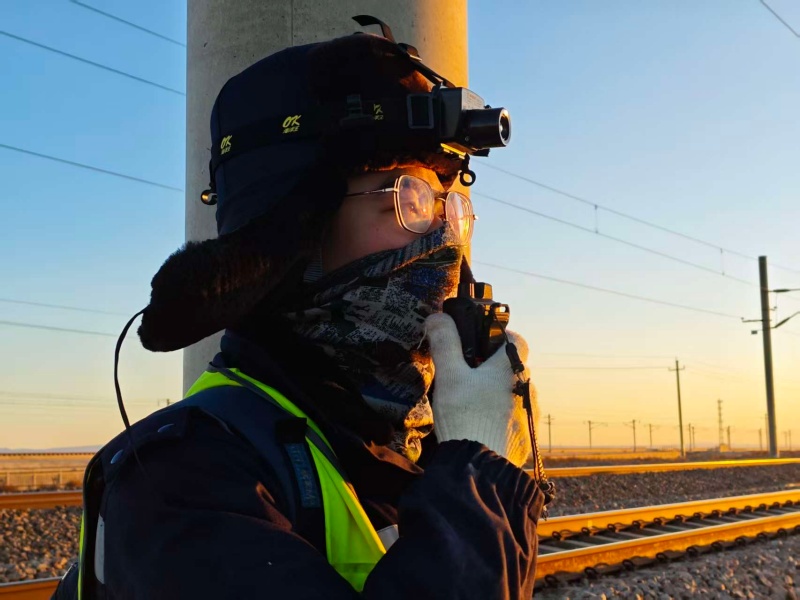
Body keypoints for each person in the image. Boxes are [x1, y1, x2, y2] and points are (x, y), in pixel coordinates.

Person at [53, 20, 551, 600]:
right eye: (409, 197)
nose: (444, 238)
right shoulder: (180, 479)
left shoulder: (397, 449)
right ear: (292, 233)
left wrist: (477, 462)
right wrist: (478, 481)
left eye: (448, 203)